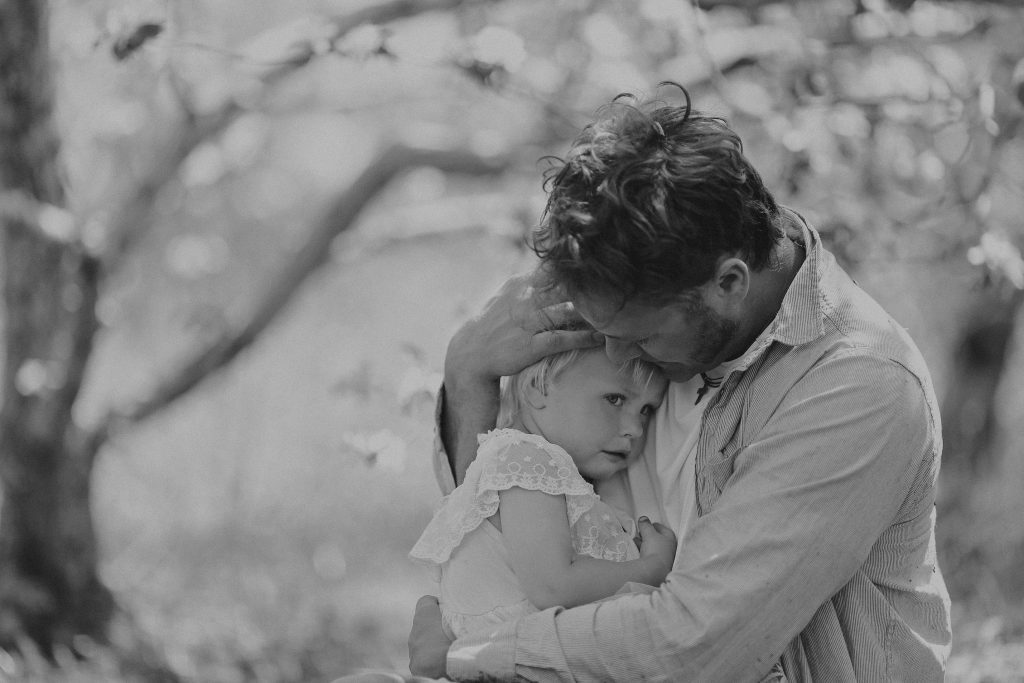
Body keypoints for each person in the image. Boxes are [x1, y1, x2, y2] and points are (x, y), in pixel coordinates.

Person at [408, 85, 952, 682]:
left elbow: (696, 646)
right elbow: (498, 536)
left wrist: (473, 657)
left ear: (729, 283)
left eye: (637, 339)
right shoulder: (646, 312)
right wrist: (470, 375)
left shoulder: (857, 386)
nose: (612, 353)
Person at [408, 347, 676, 640]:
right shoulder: (528, 459)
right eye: (615, 399)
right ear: (539, 387)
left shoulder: (552, 474)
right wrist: (651, 568)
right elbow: (553, 587)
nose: (635, 429)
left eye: (646, 410)